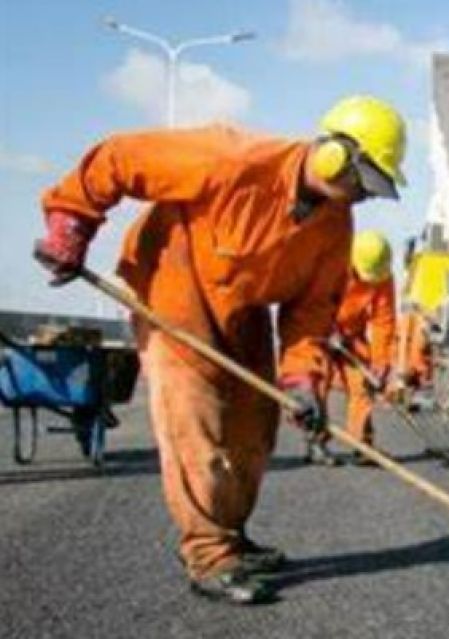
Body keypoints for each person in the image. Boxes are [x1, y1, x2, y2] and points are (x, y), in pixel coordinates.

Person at [33, 95, 407, 604]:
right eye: (364, 182)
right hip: (174, 288)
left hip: (243, 306)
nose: (363, 197)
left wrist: (303, 381)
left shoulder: (335, 225)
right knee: (196, 424)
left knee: (255, 429)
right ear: (334, 154)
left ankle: (230, 532)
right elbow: (119, 158)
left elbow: (312, 311)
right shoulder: (231, 158)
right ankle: (208, 552)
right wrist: (71, 222)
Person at [309, 230, 398, 467]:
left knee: (363, 384)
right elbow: (312, 301)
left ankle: (362, 445)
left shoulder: (382, 275)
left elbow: (383, 321)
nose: (369, 282)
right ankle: (317, 442)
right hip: (321, 331)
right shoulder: (330, 264)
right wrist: (328, 328)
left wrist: (380, 364)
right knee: (319, 382)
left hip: (352, 336)